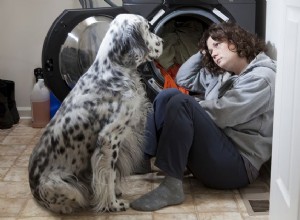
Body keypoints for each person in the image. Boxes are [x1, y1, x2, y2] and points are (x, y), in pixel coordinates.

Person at [130, 21, 276, 211]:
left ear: (236, 40)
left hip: (237, 166)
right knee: (167, 95)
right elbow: (183, 79)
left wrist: (193, 107)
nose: (213, 52)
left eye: (217, 44)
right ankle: (142, 159)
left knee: (182, 103)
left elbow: (223, 114)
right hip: (217, 151)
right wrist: (203, 51)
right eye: (209, 49)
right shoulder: (224, 74)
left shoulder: (262, 77)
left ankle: (172, 187)